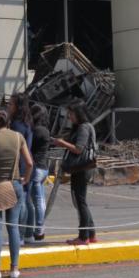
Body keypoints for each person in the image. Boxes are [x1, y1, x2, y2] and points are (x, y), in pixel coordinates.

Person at [0, 109, 33, 278]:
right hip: (15, 183)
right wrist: (25, 180)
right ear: (8, 121)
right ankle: (14, 269)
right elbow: (30, 163)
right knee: (13, 227)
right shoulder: (18, 137)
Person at [52, 102, 97, 245]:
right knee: (81, 201)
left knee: (80, 201)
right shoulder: (84, 126)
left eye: (71, 114)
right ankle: (91, 234)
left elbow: (79, 149)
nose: (69, 117)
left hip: (81, 168)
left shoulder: (84, 127)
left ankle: (83, 236)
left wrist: (62, 144)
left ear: (79, 114)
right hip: (82, 168)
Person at [8, 93, 35, 243]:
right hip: (27, 162)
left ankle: (19, 235)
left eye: (11, 104)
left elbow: (14, 147)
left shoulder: (16, 124)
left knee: (21, 202)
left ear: (17, 106)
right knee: (26, 199)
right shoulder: (27, 121)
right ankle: (28, 233)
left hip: (20, 165)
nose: (8, 106)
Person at [28, 104, 52, 242]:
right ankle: (39, 228)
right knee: (39, 198)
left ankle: (38, 228)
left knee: (34, 200)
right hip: (43, 167)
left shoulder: (35, 130)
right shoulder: (45, 130)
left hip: (35, 167)